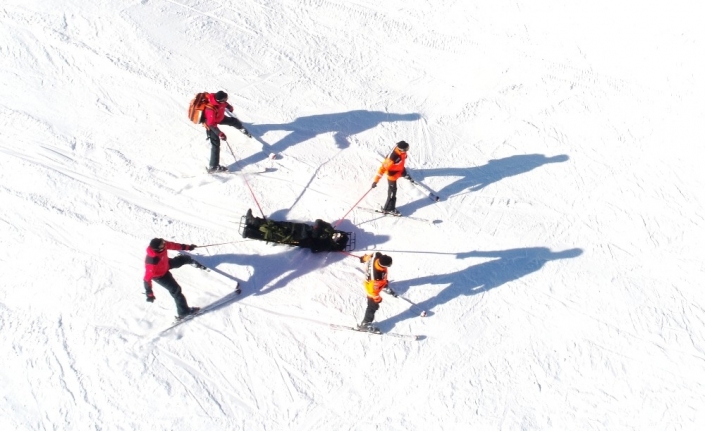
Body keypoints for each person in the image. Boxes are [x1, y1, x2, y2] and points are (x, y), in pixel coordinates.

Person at [143, 238, 206, 319]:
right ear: (158, 249)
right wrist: (149, 294)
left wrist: (188, 247)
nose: (164, 243)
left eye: (162, 242)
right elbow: (146, 279)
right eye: (162, 244)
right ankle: (184, 312)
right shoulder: (152, 262)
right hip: (160, 276)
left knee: (183, 259)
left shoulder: (163, 245)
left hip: (165, 263)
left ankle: (192, 262)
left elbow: (174, 245)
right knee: (176, 290)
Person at [203, 91, 252, 174]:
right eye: (225, 99)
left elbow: (224, 103)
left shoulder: (221, 101)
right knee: (215, 144)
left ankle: (242, 129)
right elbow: (211, 124)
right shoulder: (210, 109)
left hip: (220, 117)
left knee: (234, 121)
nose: (226, 100)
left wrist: (229, 107)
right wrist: (220, 133)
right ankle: (213, 167)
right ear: (219, 100)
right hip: (211, 124)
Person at [357, 252, 396, 332]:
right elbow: (373, 293)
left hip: (377, 283)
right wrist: (377, 299)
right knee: (373, 306)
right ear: (384, 266)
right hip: (370, 288)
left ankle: (384, 286)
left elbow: (369, 256)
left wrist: (364, 258)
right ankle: (365, 323)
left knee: (383, 280)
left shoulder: (377, 255)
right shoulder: (376, 278)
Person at [371, 140, 411, 215]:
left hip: (399, 169)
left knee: (403, 170)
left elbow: (402, 158)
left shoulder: (402, 152)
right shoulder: (392, 159)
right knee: (392, 193)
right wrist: (375, 181)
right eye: (406, 149)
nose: (407, 150)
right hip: (392, 176)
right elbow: (382, 169)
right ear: (401, 149)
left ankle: (403, 174)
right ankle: (389, 209)